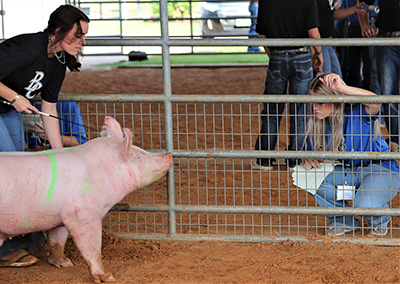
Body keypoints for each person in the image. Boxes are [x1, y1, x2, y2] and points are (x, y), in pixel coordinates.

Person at [0, 5, 90, 267]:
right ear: (59, 31)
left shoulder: (59, 62)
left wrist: (61, 154)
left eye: (84, 36)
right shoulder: (28, 48)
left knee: (18, 174)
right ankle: (5, 249)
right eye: (78, 36)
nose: (82, 43)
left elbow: (48, 109)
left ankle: (16, 236)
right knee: (10, 177)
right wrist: (15, 98)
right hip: (7, 107)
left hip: (7, 112)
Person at [303, 73, 399, 236]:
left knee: (364, 203)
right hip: (349, 173)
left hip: (380, 170)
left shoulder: (358, 112)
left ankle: (378, 219)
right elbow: (312, 155)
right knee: (306, 174)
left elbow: (376, 101)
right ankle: (342, 220)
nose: (315, 107)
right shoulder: (320, 124)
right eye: (313, 102)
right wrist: (309, 159)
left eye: (320, 102)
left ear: (335, 99)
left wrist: (342, 88)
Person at [253, 0, 323, 171]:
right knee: (299, 109)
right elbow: (313, 34)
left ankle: (265, 159)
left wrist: (274, 56)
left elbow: (262, 36)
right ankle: (295, 160)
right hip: (301, 56)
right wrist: (319, 54)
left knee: (272, 109)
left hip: (277, 55)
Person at [359, 0, 400, 150]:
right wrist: (364, 26)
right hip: (386, 40)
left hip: (387, 42)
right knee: (388, 94)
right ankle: (396, 139)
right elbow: (362, 5)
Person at [315, 0, 364, 76]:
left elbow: (331, 14)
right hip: (319, 42)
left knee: (337, 78)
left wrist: (355, 9)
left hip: (327, 41)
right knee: (327, 81)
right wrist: (316, 50)